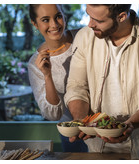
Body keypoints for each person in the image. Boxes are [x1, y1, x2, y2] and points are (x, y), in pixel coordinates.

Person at [64, 4, 139, 159]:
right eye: (88, 15)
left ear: (121, 17)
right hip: (95, 149)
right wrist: (81, 120)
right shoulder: (84, 36)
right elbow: (77, 86)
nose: (89, 24)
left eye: (97, 20)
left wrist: (130, 124)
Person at [28, 4, 88, 152]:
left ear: (64, 16)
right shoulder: (35, 64)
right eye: (45, 19)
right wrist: (47, 75)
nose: (54, 24)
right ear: (35, 24)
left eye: (58, 16)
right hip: (73, 133)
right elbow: (53, 115)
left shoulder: (84, 37)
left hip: (104, 123)